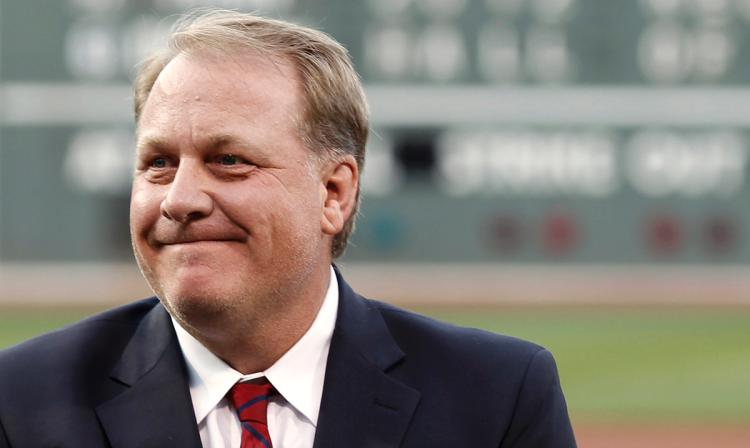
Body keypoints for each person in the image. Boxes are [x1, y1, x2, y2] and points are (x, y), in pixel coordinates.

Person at [0, 10, 576, 448]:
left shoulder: (496, 398)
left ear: (334, 193)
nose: (179, 200)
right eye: (158, 164)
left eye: (228, 160)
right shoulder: (19, 403)